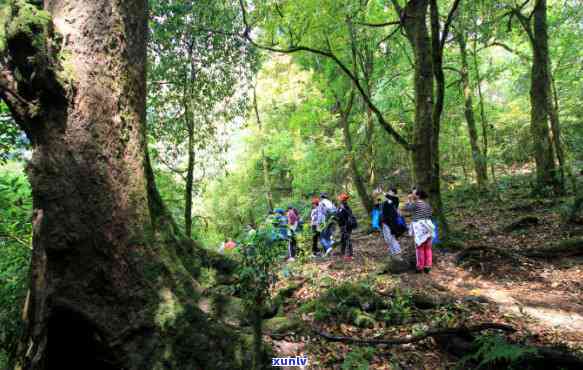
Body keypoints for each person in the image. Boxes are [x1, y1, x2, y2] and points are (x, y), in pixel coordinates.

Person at [404, 189, 435, 273]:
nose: (412, 194)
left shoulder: (417, 203)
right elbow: (431, 213)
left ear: (418, 196)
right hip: (429, 227)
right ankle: (428, 266)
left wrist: (409, 200)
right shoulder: (427, 204)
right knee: (428, 248)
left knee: (419, 248)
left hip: (419, 228)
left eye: (413, 193)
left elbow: (407, 208)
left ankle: (420, 267)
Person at [380, 193, 405, 261]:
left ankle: (397, 253)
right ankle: (394, 253)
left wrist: (385, 194)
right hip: (386, 223)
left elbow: (395, 199)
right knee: (388, 239)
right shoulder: (385, 203)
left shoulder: (391, 202)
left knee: (391, 238)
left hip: (390, 224)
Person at [336, 192, 356, 261]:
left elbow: (343, 215)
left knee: (347, 239)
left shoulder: (345, 207)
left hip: (346, 225)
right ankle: (342, 253)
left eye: (341, 199)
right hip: (343, 225)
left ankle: (350, 255)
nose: (340, 200)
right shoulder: (342, 206)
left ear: (342, 200)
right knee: (343, 239)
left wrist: (340, 211)